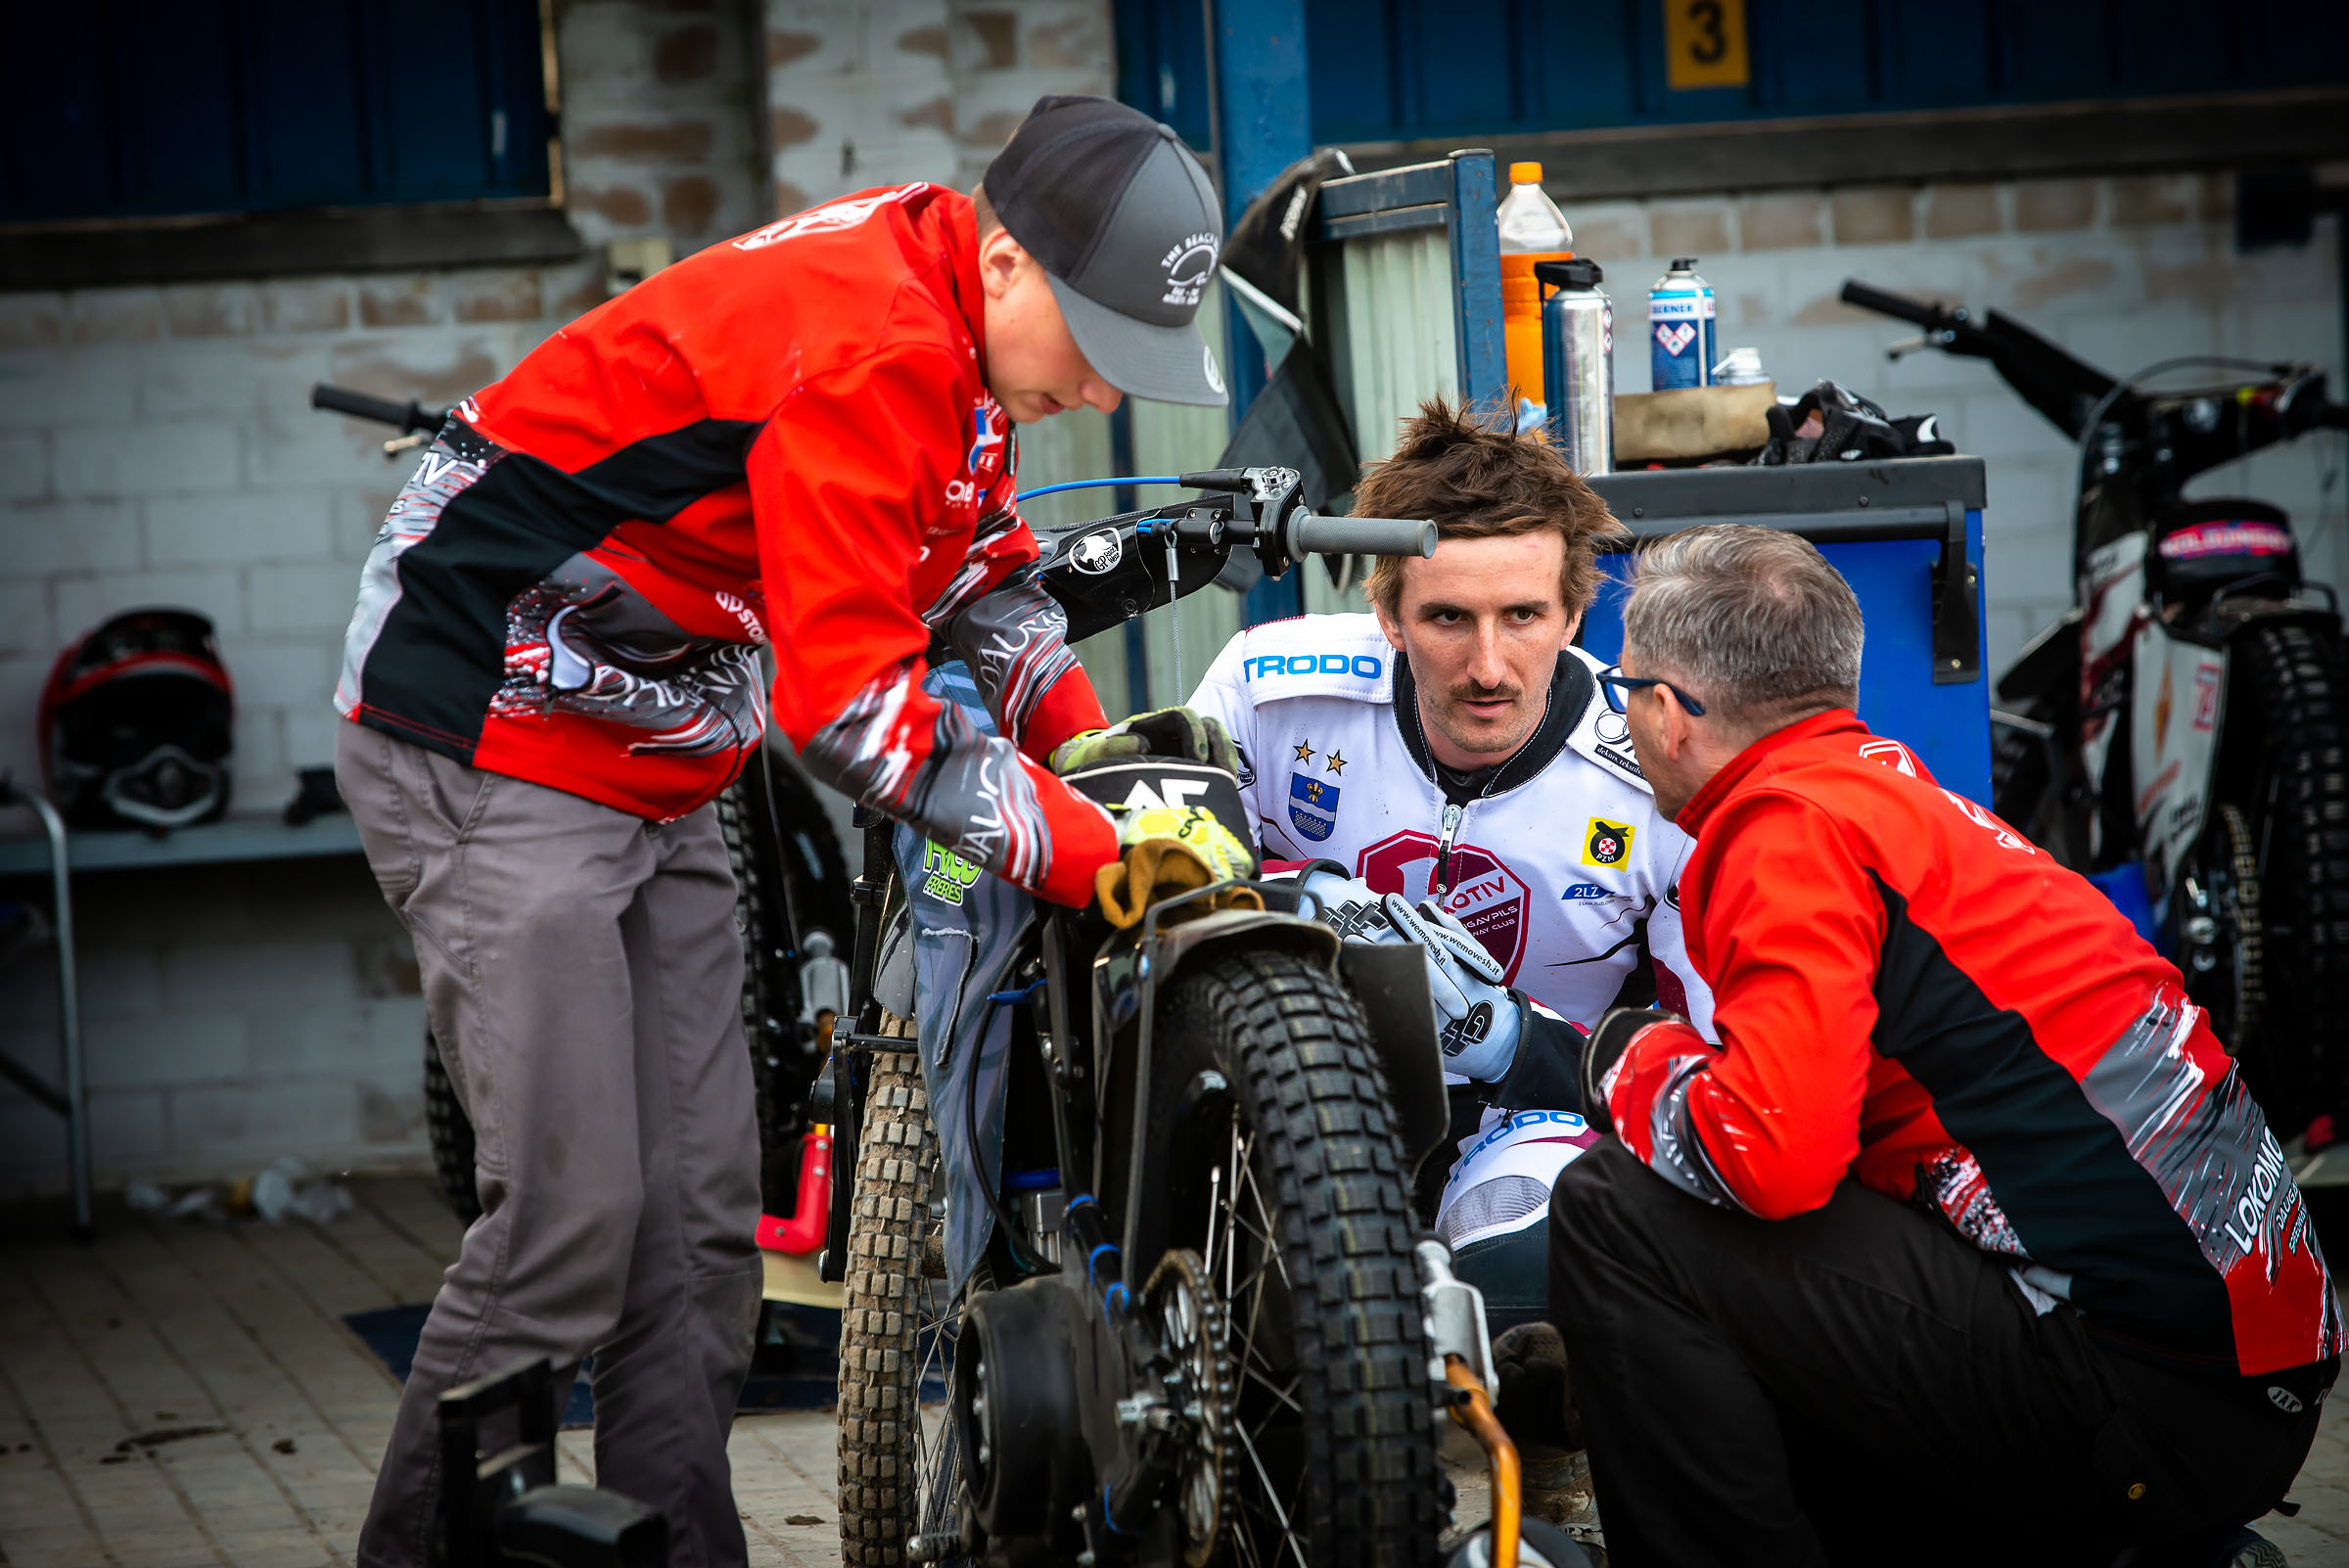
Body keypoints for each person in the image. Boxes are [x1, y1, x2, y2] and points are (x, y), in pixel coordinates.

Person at [331, 95, 1252, 1568]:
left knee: (702, 1235)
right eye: (1095, 344)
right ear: (1006, 260)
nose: (1101, 390)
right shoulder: (877, 347)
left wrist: (1090, 755)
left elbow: (979, 579)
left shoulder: (958, 334)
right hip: (490, 729)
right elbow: (855, 714)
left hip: (655, 745)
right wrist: (1096, 853)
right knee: (568, 1225)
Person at [1531, 524, 2339, 1567]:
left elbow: (1769, 1157)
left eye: (1627, 689)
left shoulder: (1785, 833)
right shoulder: (1891, 797)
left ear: (1672, 712)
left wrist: (1625, 1058)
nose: (1625, 713)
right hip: (2242, 1380)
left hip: (2147, 1401)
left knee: (1616, 1208)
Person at [1187, 398, 1714, 1324]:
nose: (1488, 667)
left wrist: (1511, 1041)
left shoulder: (1657, 772)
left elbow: (1709, 1075)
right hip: (1293, 1087)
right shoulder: (1268, 692)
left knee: (1534, 1278)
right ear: (1387, 613)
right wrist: (1288, 896)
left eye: (1523, 615)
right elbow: (1159, 903)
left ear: (1574, 614)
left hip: (1536, 1120)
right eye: (1447, 618)